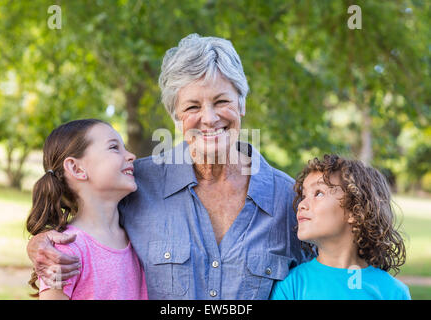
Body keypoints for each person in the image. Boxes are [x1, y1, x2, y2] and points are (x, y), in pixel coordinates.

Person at [26, 34, 310, 300]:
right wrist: (39, 244)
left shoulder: (289, 198)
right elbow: (86, 217)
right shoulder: (138, 184)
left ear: (241, 104)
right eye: (192, 107)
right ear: (176, 115)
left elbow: (336, 263)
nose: (209, 119)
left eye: (222, 101)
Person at [26, 119, 148, 300]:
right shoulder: (64, 252)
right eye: (114, 147)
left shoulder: (138, 236)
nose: (131, 156)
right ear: (76, 168)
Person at [270, 154, 411, 300]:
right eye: (304, 196)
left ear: (356, 211)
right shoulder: (292, 286)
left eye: (318, 193)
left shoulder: (393, 292)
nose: (301, 205)